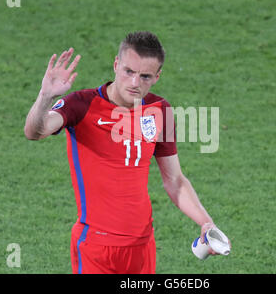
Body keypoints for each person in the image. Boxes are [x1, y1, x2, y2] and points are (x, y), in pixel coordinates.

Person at [24, 31, 224, 274]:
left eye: (145, 76)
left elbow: (175, 180)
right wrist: (46, 96)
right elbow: (35, 132)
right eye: (129, 71)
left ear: (157, 77)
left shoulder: (160, 110)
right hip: (95, 247)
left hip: (142, 246)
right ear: (116, 64)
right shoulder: (81, 104)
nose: (134, 83)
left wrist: (206, 223)